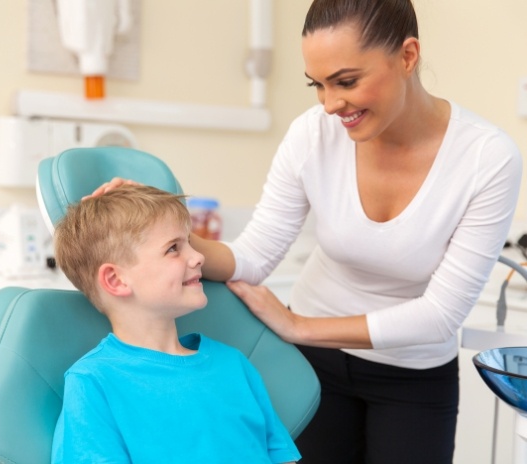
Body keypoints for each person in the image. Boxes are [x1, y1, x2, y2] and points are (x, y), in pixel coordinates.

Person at [90, 0, 523, 462]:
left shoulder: (487, 159)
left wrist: (298, 326)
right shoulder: (312, 135)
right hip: (312, 370)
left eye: (347, 81)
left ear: (408, 56)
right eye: (317, 85)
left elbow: (439, 315)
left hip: (410, 374)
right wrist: (164, 228)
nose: (331, 105)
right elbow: (253, 255)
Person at [51, 185, 300, 464]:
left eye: (190, 243)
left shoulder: (233, 364)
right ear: (116, 280)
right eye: (173, 248)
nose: (199, 257)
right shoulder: (92, 383)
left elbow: (282, 458)